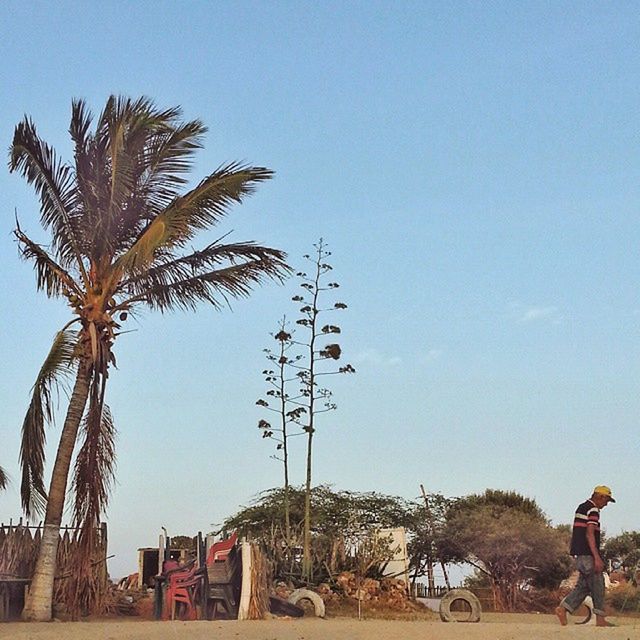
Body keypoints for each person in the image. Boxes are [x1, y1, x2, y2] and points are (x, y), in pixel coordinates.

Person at [555, 485, 616, 627]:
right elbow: (590, 533)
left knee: (584, 586)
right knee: (598, 584)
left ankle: (563, 609)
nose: (606, 504)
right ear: (600, 497)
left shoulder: (581, 507)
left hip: (579, 554)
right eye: (606, 500)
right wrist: (597, 557)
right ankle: (600, 619)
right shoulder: (593, 510)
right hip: (588, 554)